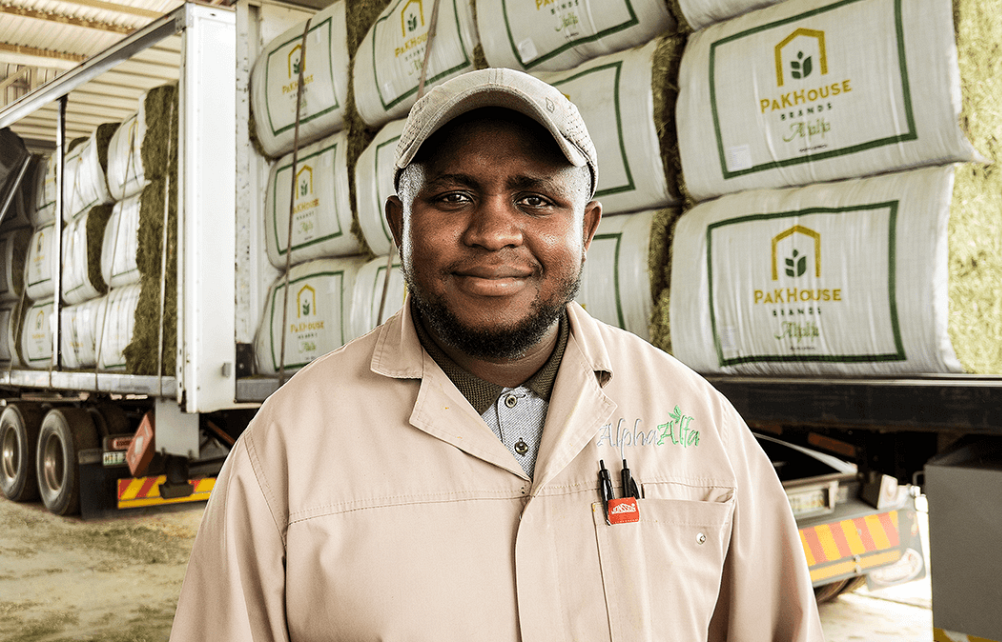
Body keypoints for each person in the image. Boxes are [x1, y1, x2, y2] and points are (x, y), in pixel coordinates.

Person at [170, 68, 823, 641]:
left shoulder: (700, 427)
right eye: (453, 196)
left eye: (534, 199)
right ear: (400, 226)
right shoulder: (285, 452)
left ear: (585, 227)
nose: (492, 231)